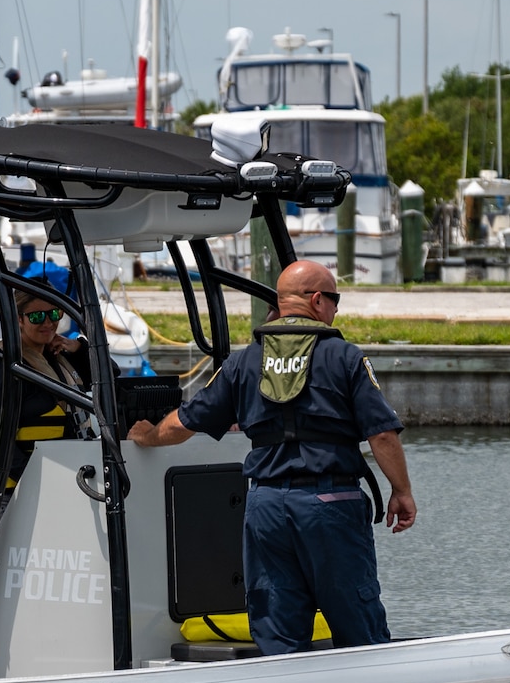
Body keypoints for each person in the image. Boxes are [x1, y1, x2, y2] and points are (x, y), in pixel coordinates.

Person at [128, 259, 416, 655]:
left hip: (265, 507)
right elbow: (381, 434)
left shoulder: (244, 361)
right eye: (335, 300)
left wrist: (145, 436)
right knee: (357, 619)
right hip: (330, 503)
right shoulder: (344, 357)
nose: (336, 310)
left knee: (276, 624)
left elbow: (184, 423)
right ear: (318, 300)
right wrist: (401, 490)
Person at [0, 289, 93, 488]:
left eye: (54, 314)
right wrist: (35, 479)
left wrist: (78, 347)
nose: (48, 323)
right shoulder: (7, 366)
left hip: (66, 479)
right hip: (18, 490)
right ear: (19, 319)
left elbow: (112, 375)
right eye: (37, 316)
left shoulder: (59, 356)